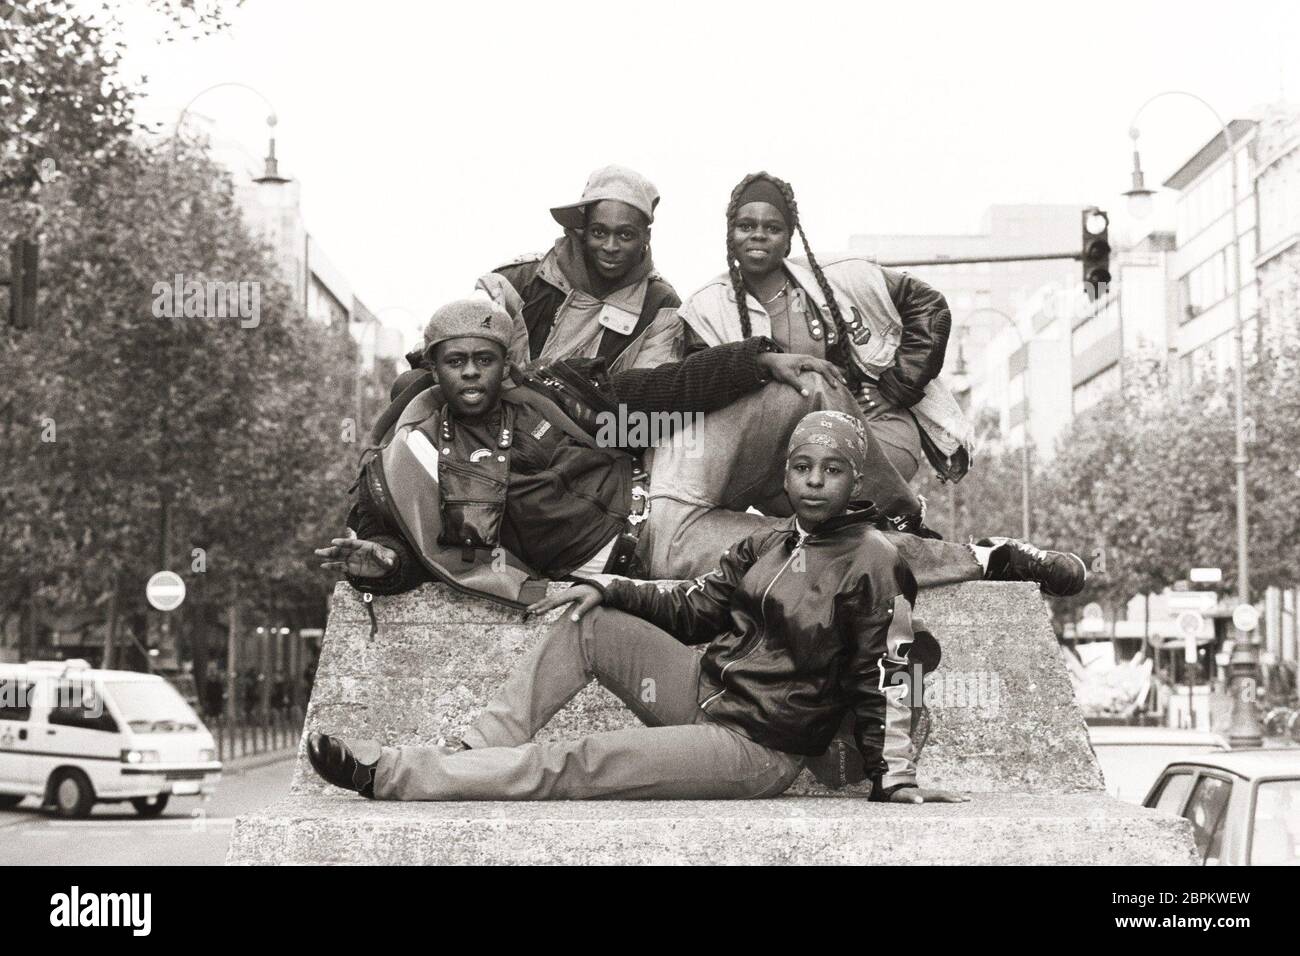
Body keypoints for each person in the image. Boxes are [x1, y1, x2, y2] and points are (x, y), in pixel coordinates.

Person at [306, 410, 970, 804]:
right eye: (801, 466)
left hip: (755, 749)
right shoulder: (769, 541)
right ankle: (470, 754)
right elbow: (697, 607)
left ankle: (393, 775)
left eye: (832, 468)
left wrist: (897, 779)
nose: (815, 481)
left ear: (857, 478)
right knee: (591, 621)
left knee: (582, 761)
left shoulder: (876, 560)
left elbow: (887, 673)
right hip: (703, 691)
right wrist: (609, 586)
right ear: (787, 474)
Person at [316, 299, 1086, 611]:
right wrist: (379, 564)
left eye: (484, 359)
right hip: (648, 546)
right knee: (830, 560)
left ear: (503, 359)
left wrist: (757, 361)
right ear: (436, 367)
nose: (473, 375)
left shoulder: (549, 390)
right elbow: (412, 543)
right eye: (456, 363)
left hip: (662, 474)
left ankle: (893, 508)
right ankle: (990, 558)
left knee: (801, 392)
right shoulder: (419, 452)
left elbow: (653, 395)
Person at [678, 171, 975, 532]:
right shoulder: (706, 306)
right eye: (745, 225)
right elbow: (696, 387)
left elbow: (929, 305)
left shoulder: (842, 274)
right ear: (730, 233)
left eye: (772, 228)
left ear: (789, 239)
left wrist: (896, 387)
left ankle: (901, 518)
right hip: (783, 456)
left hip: (874, 434)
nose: (758, 235)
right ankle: (889, 536)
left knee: (827, 477)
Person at [471, 165, 683, 373]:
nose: (610, 247)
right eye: (599, 232)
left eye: (625, 235)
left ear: (646, 236)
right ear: (582, 230)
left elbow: (648, 391)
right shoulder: (519, 280)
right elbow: (465, 358)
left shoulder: (661, 306)